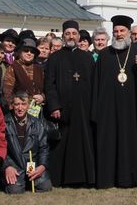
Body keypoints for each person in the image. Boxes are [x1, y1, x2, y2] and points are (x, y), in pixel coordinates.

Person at [92, 14, 137, 188]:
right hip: (109, 111)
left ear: (129, 32)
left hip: (132, 109)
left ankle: (131, 178)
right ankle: (109, 179)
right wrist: (96, 111)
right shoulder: (105, 55)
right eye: (116, 31)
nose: (119, 34)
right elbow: (96, 85)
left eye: (122, 31)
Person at [43, 20, 95, 187]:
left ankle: (82, 178)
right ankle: (60, 178)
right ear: (63, 35)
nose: (71, 36)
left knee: (82, 142)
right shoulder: (55, 58)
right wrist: (54, 106)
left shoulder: (87, 57)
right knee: (61, 144)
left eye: (74, 33)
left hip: (83, 109)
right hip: (62, 109)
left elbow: (95, 84)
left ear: (79, 35)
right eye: (68, 34)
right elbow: (49, 84)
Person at [4, 92, 52, 193]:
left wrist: (42, 166)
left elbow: (44, 148)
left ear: (28, 105)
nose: (20, 108)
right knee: (15, 190)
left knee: (45, 186)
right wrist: (7, 166)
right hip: (14, 165)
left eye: (23, 104)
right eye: (17, 104)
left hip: (33, 164)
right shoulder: (4, 123)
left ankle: (28, 182)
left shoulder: (37, 123)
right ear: (12, 105)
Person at [3, 37, 45, 114]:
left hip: (36, 111)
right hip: (18, 111)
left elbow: (45, 89)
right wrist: (15, 107)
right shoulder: (13, 67)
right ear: (20, 52)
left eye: (32, 52)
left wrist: (42, 97)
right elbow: (7, 92)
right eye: (26, 50)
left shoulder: (39, 69)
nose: (29, 53)